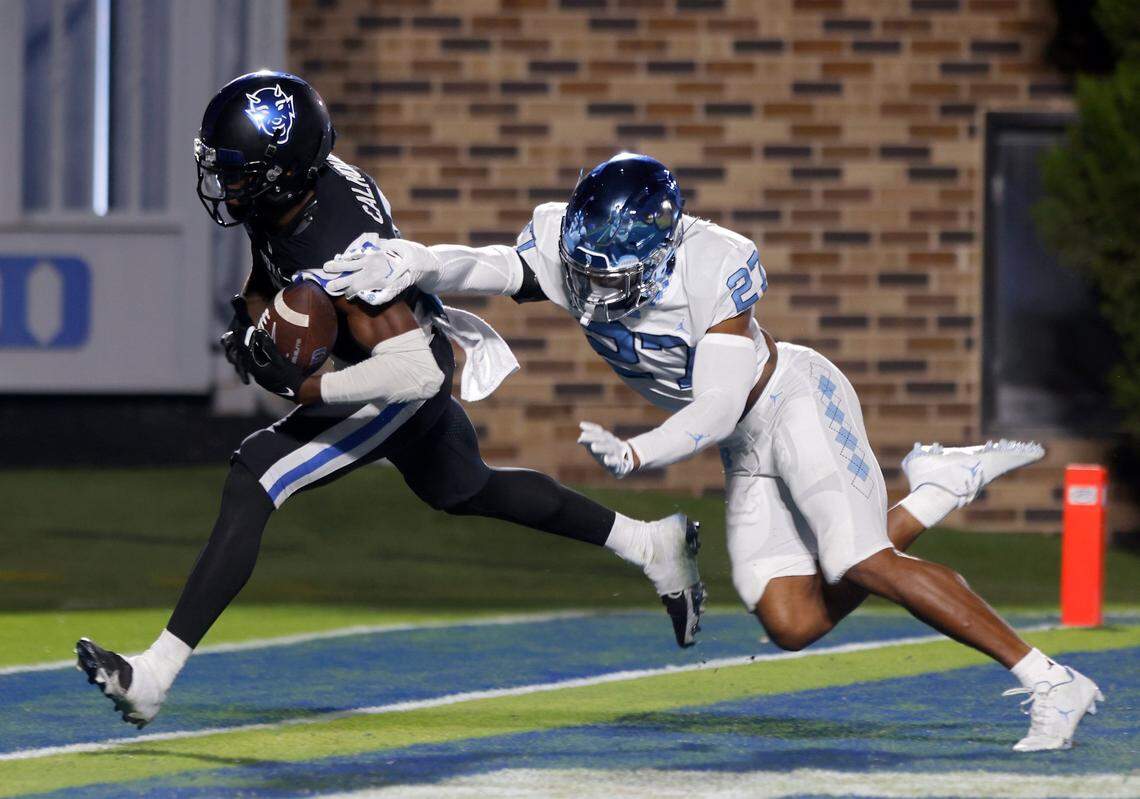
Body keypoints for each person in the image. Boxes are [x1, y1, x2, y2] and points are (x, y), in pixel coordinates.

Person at [323, 152, 1104, 753]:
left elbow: (719, 404)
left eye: (613, 274)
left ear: (662, 251)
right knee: (793, 622)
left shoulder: (717, 263)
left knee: (858, 554)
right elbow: (500, 266)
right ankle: (935, 488)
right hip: (743, 444)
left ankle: (1051, 677)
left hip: (791, 400)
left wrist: (638, 454)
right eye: (586, 269)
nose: (592, 290)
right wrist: (422, 259)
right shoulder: (573, 238)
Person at [75, 75, 706, 729]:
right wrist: (252, 319)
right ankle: (650, 542)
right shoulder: (293, 197)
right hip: (400, 356)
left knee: (256, 471)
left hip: (401, 375)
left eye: (238, 172)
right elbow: (274, 263)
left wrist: (303, 384)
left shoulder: (342, 245)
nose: (225, 185)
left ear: (282, 174)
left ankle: (153, 675)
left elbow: (411, 375)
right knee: (465, 487)